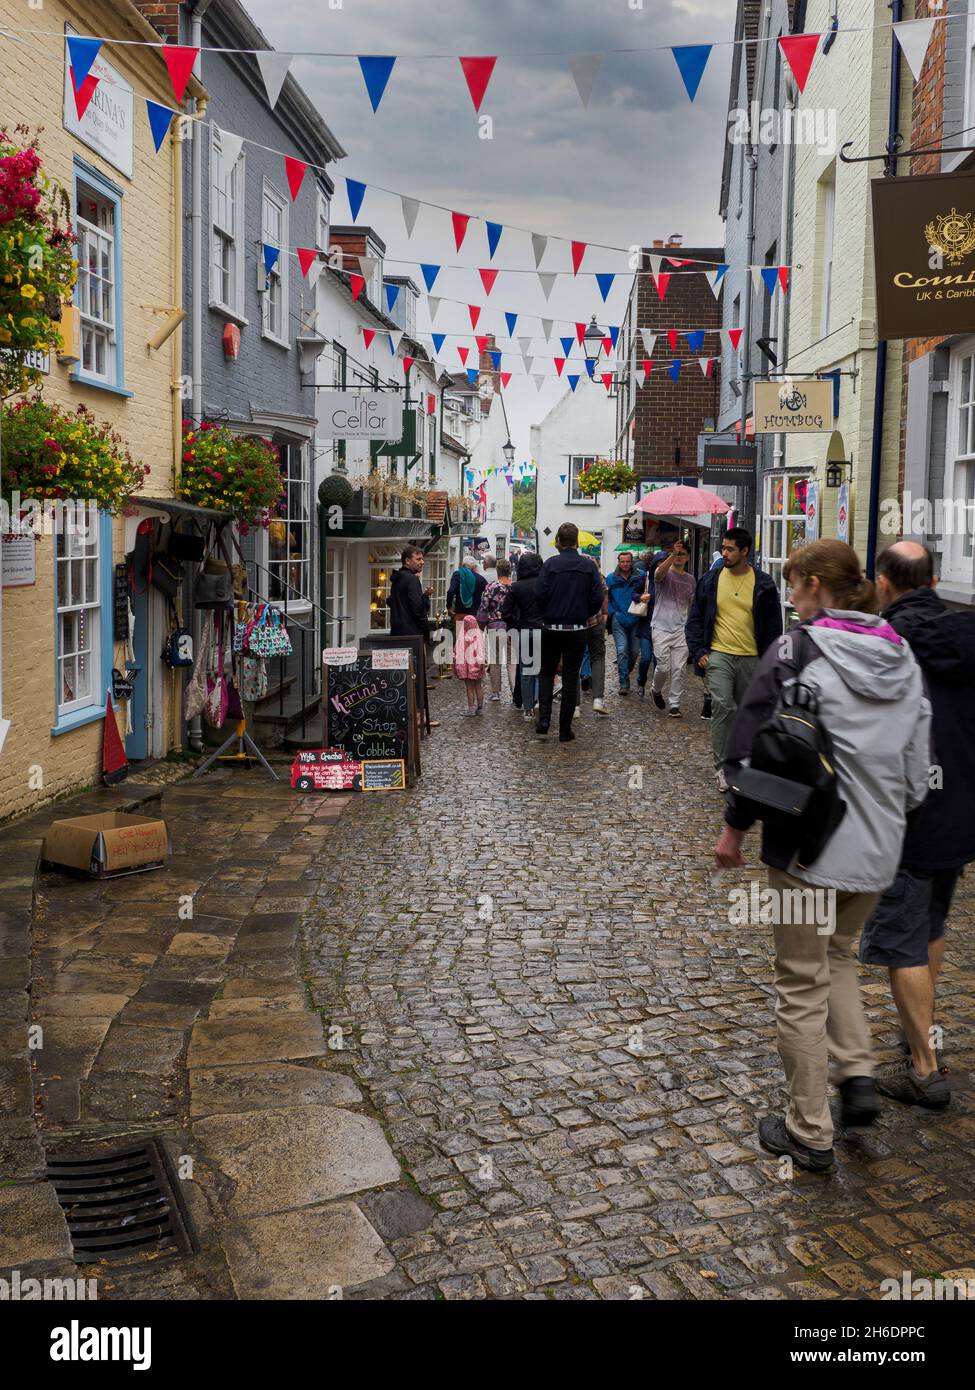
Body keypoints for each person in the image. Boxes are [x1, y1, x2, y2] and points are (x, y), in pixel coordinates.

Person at [714, 540, 931, 1173]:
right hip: (878, 847)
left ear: (813, 586)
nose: (790, 596)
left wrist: (734, 828)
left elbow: (755, 749)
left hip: (808, 846)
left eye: (794, 585)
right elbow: (917, 776)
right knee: (839, 956)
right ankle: (857, 1074)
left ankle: (809, 1130)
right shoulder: (901, 654)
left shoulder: (796, 651)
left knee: (800, 983)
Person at [857, 542, 975, 1109]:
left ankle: (925, 1070)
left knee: (902, 935)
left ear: (883, 583)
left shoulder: (886, 644)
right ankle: (918, 1040)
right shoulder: (967, 636)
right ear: (931, 582)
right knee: (930, 925)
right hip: (959, 810)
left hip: (908, 810)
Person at [685, 526, 782, 791]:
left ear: (745, 551)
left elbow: (774, 627)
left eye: (730, 549)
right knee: (723, 706)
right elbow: (695, 618)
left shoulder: (762, 584)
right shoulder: (711, 579)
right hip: (719, 656)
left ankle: (746, 762)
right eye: (724, 548)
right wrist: (699, 652)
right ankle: (722, 768)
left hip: (752, 658)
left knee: (749, 713)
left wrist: (770, 659)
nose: (724, 553)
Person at [535, 522, 604, 742]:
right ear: (576, 541)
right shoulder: (589, 566)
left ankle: (544, 720)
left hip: (551, 627)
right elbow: (596, 598)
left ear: (558, 541)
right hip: (577, 628)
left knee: (546, 672)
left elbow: (539, 594)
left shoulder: (550, 565)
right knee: (570, 676)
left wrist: (548, 612)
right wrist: (584, 612)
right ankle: (565, 729)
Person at [649, 537, 696, 717]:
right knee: (663, 666)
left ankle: (675, 703)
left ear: (687, 557)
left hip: (681, 629)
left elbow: (691, 603)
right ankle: (655, 689)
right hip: (661, 627)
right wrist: (671, 554)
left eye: (682, 554)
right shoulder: (664, 574)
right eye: (677, 554)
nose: (678, 557)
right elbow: (658, 574)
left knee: (679, 668)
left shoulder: (691, 580)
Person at [502, 549, 543, 719]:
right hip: (543, 630)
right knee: (542, 671)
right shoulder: (544, 584)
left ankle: (528, 709)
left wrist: (518, 624)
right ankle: (541, 702)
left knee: (527, 672)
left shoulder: (516, 587)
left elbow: (505, 613)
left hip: (525, 630)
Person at [605, 551, 645, 695]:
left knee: (634, 652)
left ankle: (625, 671)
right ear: (618, 562)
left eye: (628, 561)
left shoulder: (640, 576)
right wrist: (612, 613)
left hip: (636, 617)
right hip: (618, 618)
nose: (625, 564)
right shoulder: (611, 578)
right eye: (622, 561)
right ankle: (624, 682)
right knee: (622, 650)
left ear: (631, 562)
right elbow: (606, 598)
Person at [477, 557, 516, 702]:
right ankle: (514, 691)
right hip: (512, 628)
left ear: (498, 571)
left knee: (495, 661)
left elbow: (484, 607)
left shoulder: (491, 587)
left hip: (494, 627)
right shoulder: (514, 587)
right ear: (510, 571)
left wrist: (480, 624)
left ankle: (496, 693)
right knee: (512, 662)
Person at [389, 545, 434, 639]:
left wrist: (425, 595)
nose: (422, 562)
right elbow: (418, 609)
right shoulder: (411, 579)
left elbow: (395, 601)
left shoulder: (398, 578)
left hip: (396, 633)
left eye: (422, 559)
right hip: (412, 635)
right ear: (407, 561)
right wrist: (426, 632)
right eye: (418, 559)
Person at [453, 613, 486, 716]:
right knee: (478, 686)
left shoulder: (462, 637)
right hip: (477, 666)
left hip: (467, 668)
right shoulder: (479, 636)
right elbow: (482, 651)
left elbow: (456, 653)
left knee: (469, 688)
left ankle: (471, 709)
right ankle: (480, 708)